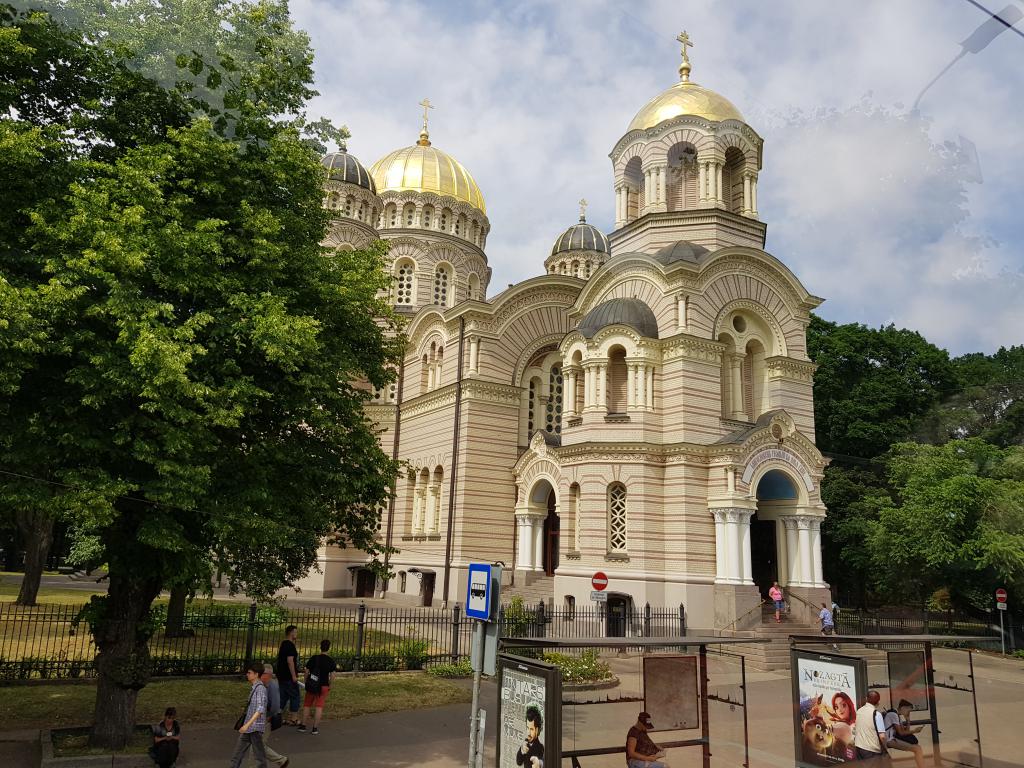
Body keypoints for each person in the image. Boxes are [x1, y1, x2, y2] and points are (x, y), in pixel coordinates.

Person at [229, 663, 269, 768]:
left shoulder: (260, 689)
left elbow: (260, 709)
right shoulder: (255, 688)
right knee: (237, 755)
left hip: (255, 728)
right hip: (250, 728)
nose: (247, 674)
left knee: (259, 758)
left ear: (256, 674)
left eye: (249, 673)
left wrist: (247, 725)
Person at [298, 638, 338, 735]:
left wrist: (306, 681)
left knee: (307, 705)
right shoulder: (330, 661)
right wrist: (330, 685)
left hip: (312, 684)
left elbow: (307, 671)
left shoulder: (314, 658)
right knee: (319, 706)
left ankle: (303, 725)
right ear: (329, 648)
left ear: (320, 647)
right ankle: (315, 728)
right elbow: (333, 675)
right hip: (323, 686)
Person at [255, 664, 289, 768]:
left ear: (268, 674)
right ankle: (281, 760)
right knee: (257, 745)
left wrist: (267, 717)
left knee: (257, 745)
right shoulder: (264, 684)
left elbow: (275, 706)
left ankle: (281, 760)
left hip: (266, 719)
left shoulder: (272, 685)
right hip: (261, 718)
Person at [884, 699, 925, 768]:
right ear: (903, 708)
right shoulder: (893, 714)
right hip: (888, 740)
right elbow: (901, 733)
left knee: (918, 748)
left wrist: (908, 720)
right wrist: (915, 731)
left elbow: (906, 731)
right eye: (908, 710)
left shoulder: (897, 716)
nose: (908, 712)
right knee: (917, 749)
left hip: (892, 738)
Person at [853, 690, 889, 765]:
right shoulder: (876, 714)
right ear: (878, 702)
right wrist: (885, 749)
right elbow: (882, 736)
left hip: (859, 747)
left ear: (866, 699)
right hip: (872, 750)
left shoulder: (859, 711)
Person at [275, 625, 300, 726]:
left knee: (283, 696)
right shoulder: (290, 645)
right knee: (295, 696)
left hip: (281, 676)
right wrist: (294, 675)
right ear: (291, 633)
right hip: (288, 676)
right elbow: (290, 661)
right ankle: (293, 718)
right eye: (296, 632)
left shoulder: (283, 644)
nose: (297, 634)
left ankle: (277, 717)